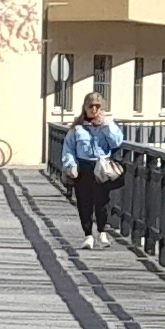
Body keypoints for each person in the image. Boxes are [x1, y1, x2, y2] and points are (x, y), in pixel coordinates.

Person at [57, 90, 126, 247]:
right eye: (91, 106)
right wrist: (71, 165)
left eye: (97, 106)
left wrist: (106, 125)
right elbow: (68, 149)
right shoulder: (77, 128)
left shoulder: (108, 125)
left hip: (101, 169)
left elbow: (116, 142)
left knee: (102, 203)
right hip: (83, 168)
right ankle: (88, 235)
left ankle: (102, 232)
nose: (94, 109)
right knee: (84, 203)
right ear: (85, 108)